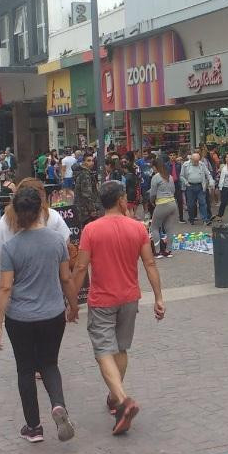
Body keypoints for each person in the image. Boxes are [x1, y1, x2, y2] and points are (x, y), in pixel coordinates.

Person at [69, 182, 166, 436]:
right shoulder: (137, 228)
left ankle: (122, 400)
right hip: (129, 297)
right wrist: (158, 297)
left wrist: (71, 303)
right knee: (120, 348)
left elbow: (80, 268)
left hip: (102, 299)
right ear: (122, 200)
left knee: (103, 350)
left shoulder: (91, 230)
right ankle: (115, 399)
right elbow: (150, 263)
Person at [0, 188, 79, 444]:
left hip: (20, 318)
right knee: (50, 363)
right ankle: (58, 405)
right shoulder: (55, 241)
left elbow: (5, 287)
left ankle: (34, 427)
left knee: (25, 369)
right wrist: (73, 307)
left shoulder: (11, 247)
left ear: (16, 214)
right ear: (42, 209)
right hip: (52, 314)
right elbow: (66, 278)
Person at [0, 178, 73, 278]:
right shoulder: (52, 216)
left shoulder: (6, 219)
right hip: (50, 276)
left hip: (18, 279)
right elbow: (66, 242)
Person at [148, 158, 178, 259]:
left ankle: (157, 252)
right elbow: (173, 190)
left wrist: (152, 201)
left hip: (162, 204)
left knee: (154, 227)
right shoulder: (169, 177)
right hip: (172, 203)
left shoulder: (156, 177)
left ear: (155, 167)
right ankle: (168, 251)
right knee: (169, 228)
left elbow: (152, 193)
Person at [181, 152, 214, 225]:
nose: (196, 162)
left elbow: (208, 174)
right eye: (195, 161)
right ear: (191, 159)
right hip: (190, 186)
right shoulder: (185, 165)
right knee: (191, 204)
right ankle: (191, 218)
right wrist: (186, 183)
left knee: (203, 203)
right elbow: (181, 176)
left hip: (200, 186)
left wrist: (211, 181)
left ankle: (205, 219)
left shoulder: (202, 164)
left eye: (197, 161)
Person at [73, 153, 103, 232]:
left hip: (82, 208)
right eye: (88, 161)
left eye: (92, 161)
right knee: (90, 231)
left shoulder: (84, 173)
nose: (91, 163)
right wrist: (92, 210)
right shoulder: (85, 175)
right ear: (83, 162)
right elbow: (87, 194)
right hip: (85, 210)